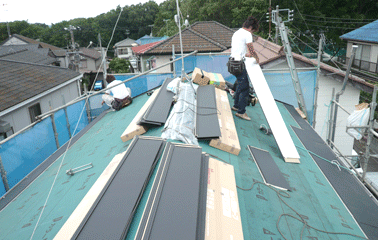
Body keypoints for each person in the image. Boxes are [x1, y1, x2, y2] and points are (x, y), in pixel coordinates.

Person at [231, 16, 260, 121]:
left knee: (240, 84)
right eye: (253, 30)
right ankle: (241, 112)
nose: (252, 33)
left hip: (232, 62)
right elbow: (251, 50)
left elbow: (239, 50)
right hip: (238, 64)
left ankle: (236, 106)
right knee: (245, 88)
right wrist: (256, 58)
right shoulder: (247, 34)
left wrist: (246, 55)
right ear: (251, 27)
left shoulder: (237, 32)